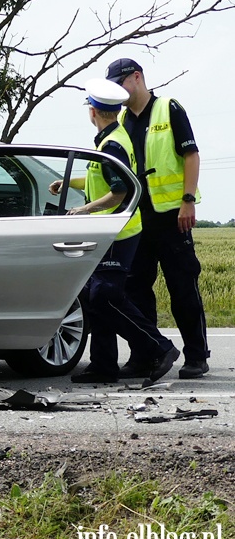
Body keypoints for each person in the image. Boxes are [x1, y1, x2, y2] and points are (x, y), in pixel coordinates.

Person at [49, 78, 179, 385]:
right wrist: (71, 183)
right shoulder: (110, 138)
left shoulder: (113, 144)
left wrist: (84, 209)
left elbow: (119, 192)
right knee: (98, 298)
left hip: (115, 233)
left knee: (105, 296)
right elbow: (105, 176)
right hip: (108, 230)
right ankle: (103, 365)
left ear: (92, 111)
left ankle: (159, 348)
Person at [105, 58, 210, 379]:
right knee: (137, 289)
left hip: (173, 217)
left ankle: (196, 356)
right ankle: (145, 356)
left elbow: (191, 155)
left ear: (137, 78)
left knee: (182, 287)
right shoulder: (121, 121)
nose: (118, 91)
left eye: (121, 83)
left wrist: (188, 201)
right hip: (138, 218)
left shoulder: (169, 108)